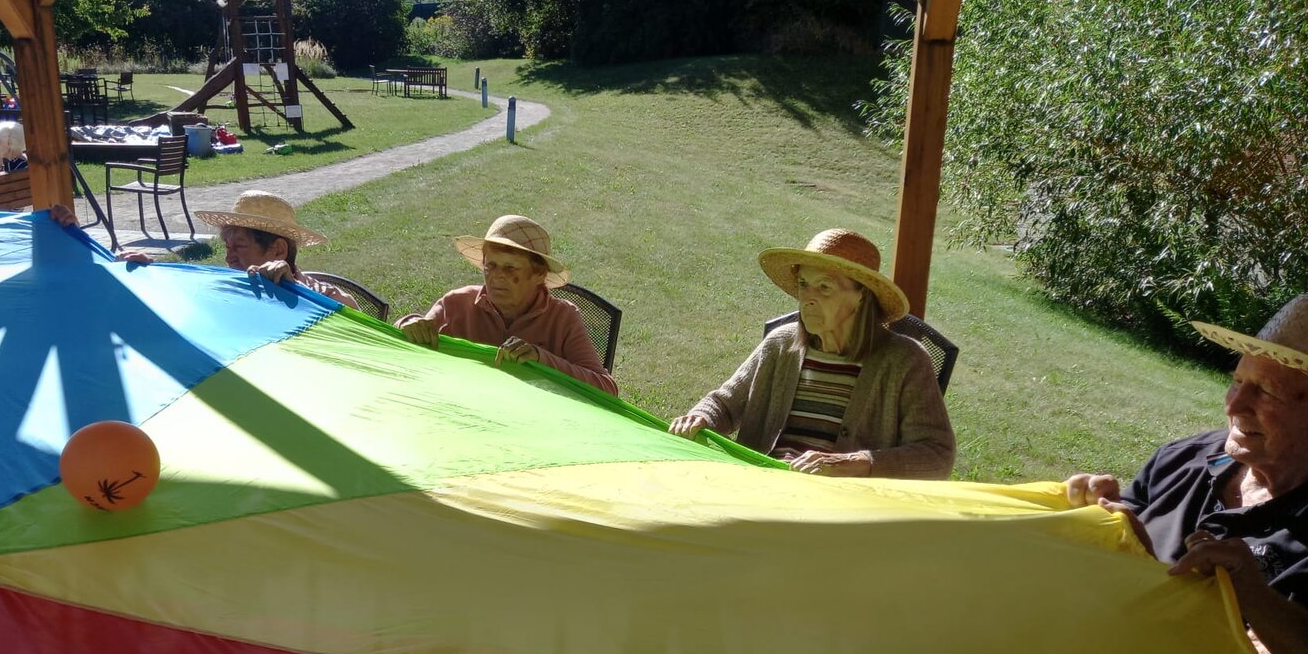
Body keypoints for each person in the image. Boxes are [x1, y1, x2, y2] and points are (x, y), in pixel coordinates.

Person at [1065, 293, 1308, 654]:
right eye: (1237, 381)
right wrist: (1098, 513)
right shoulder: (1184, 459)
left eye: (1266, 392)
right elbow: (1105, 561)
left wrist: (1252, 595)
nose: (1235, 405)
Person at [669, 229, 954, 478]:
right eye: (804, 284)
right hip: (759, 487)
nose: (807, 298)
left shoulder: (904, 361)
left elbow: (937, 455)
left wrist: (856, 463)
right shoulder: (781, 345)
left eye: (824, 287)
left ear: (862, 296)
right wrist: (701, 417)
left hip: (838, 507)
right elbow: (725, 404)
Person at [396, 215, 618, 395]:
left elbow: (606, 389)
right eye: (490, 266)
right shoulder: (456, 303)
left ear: (539, 274)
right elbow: (406, 342)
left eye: (510, 268)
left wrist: (541, 359)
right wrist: (409, 323)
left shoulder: (562, 317)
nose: (497, 276)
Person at [49, 192, 362, 311]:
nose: (229, 257)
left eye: (240, 246)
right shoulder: (228, 288)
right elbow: (176, 300)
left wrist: (291, 290)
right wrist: (147, 273)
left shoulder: (322, 295)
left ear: (278, 250)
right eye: (227, 247)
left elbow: (356, 322)